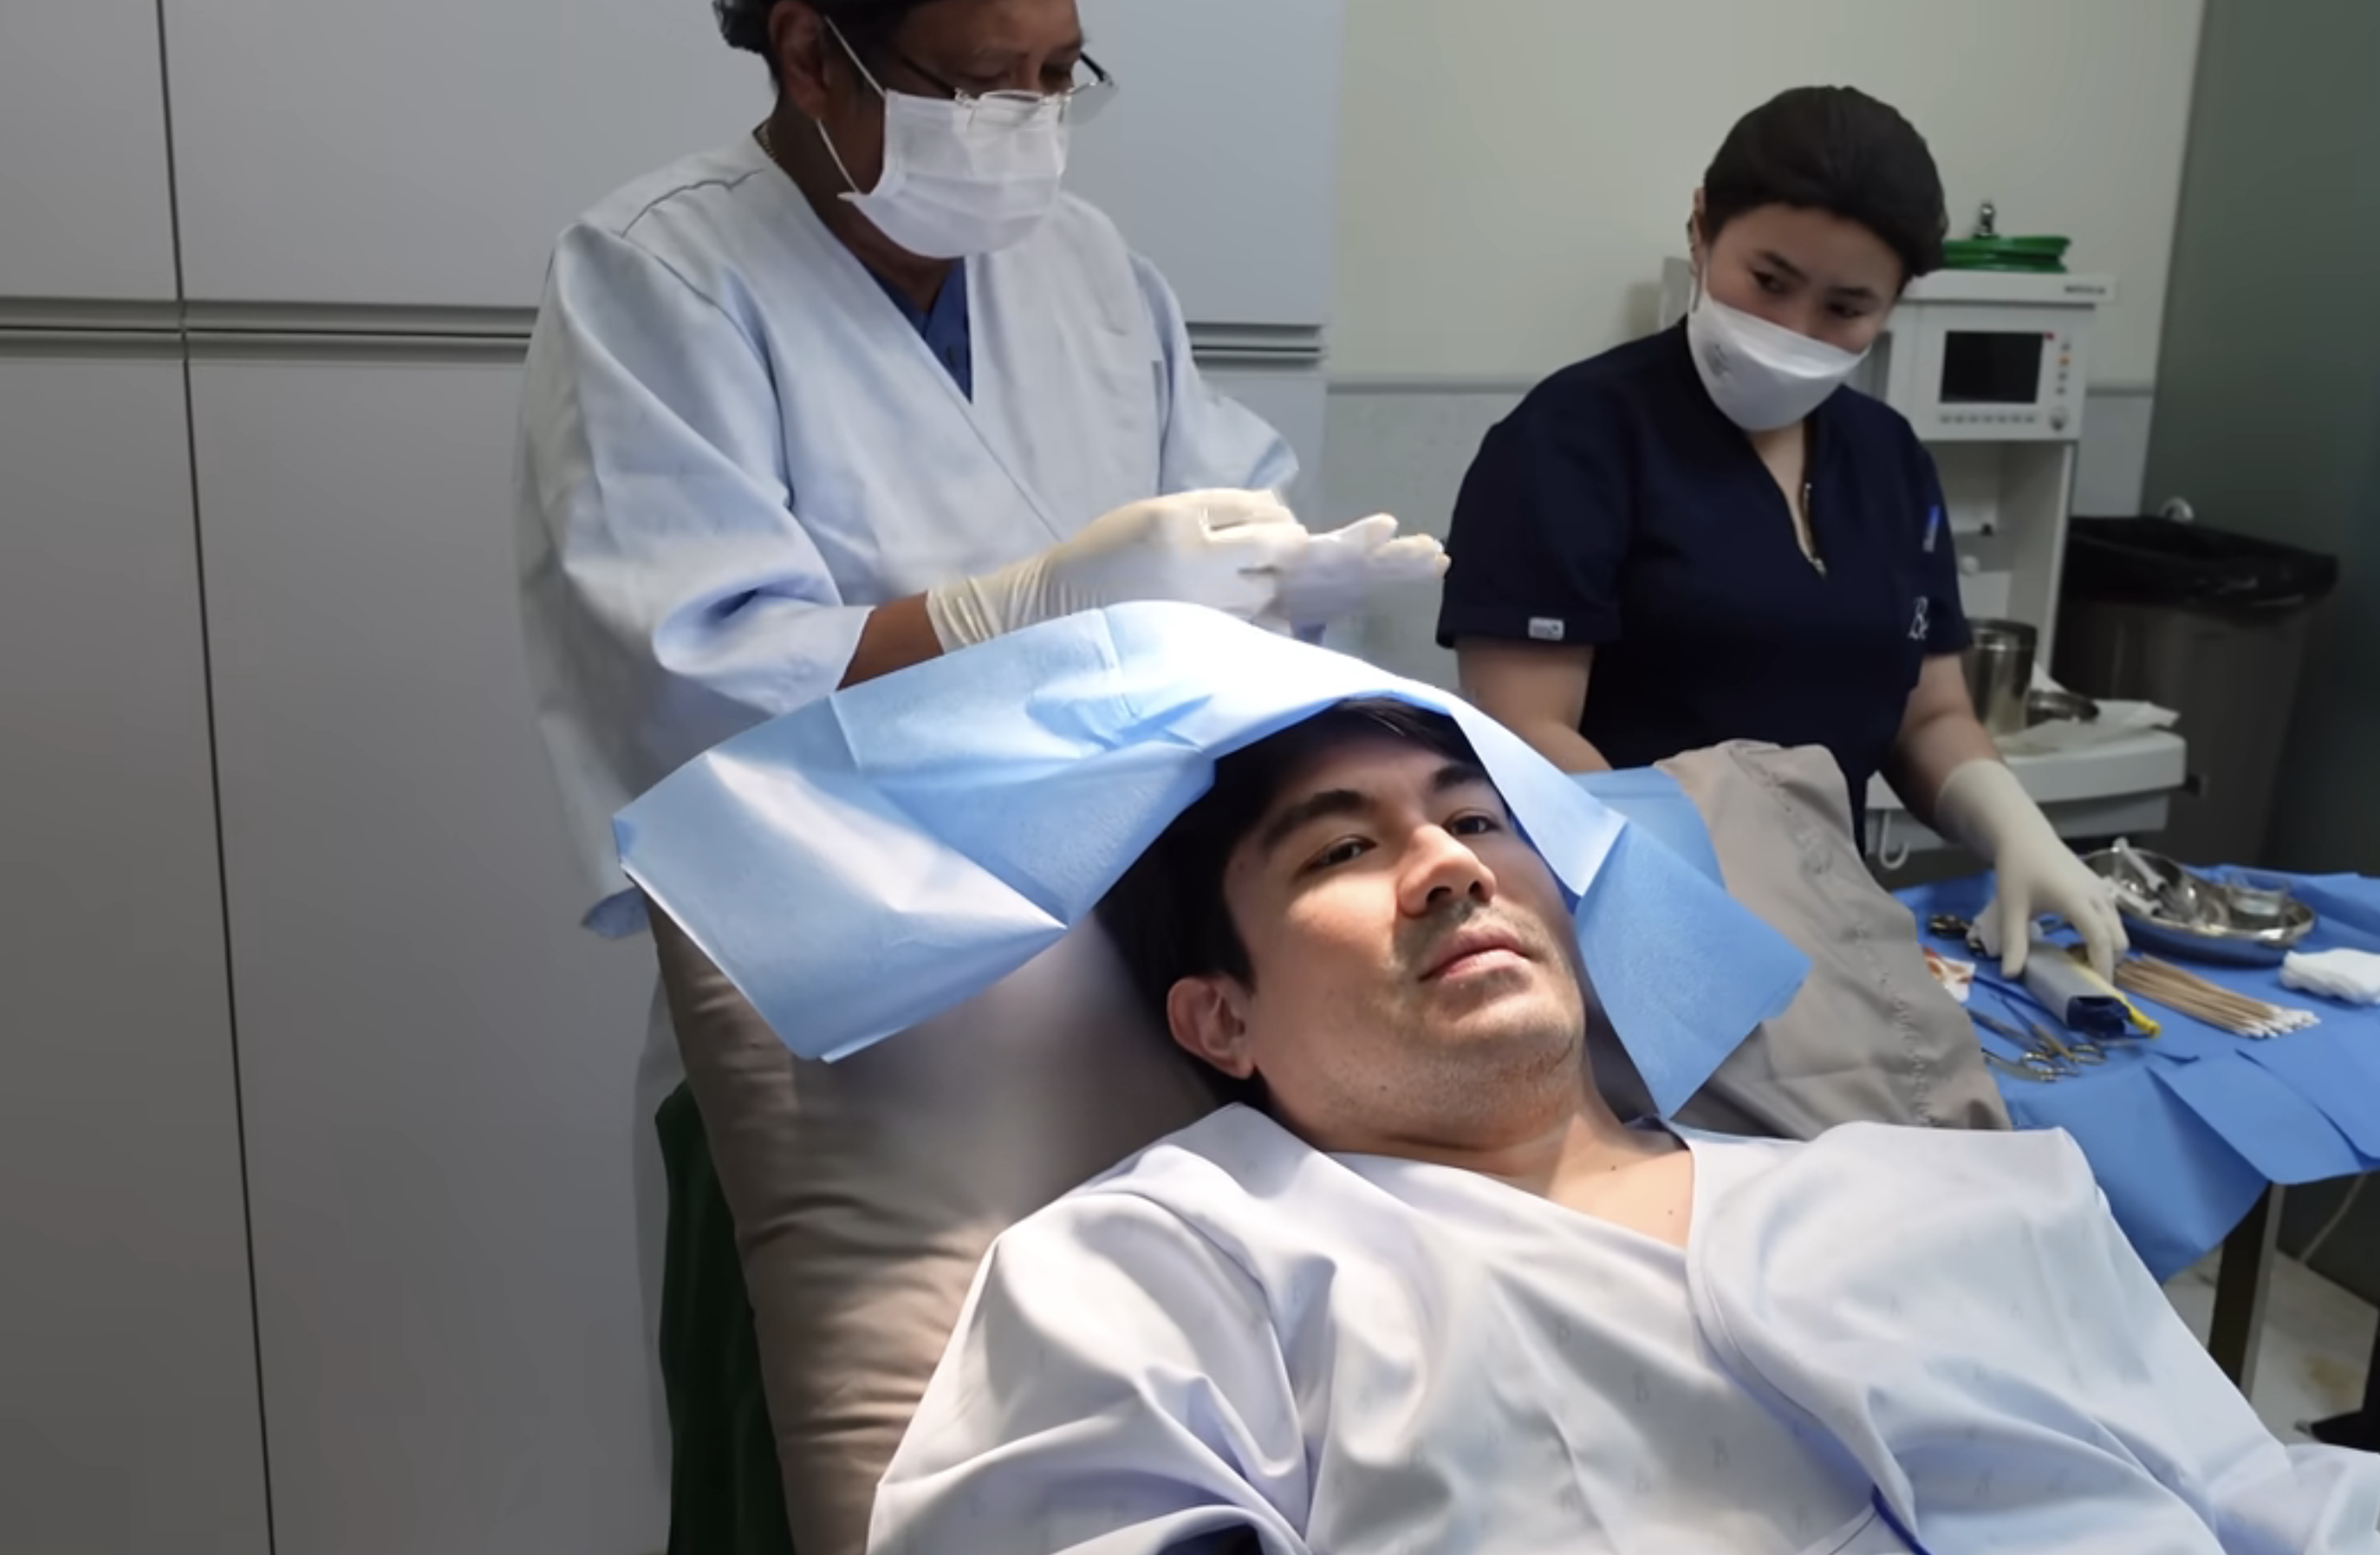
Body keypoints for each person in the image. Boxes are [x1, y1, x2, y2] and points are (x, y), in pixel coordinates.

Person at [864, 699, 2380, 1554]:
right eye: (1342, 845)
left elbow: (2277, 1501)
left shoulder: (1957, 1195)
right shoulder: (1172, 1260)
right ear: (1219, 1018)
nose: (1450, 868)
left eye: (1476, 820)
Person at [517, 0, 1442, 939]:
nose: (1027, 119)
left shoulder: (1081, 260)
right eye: (979, 81)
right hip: (854, 931)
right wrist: (1014, 614)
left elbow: (1223, 494)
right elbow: (694, 674)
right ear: (811, 55)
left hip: (1142, 897)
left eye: (1054, 78)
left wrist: (1277, 581)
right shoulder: (656, 273)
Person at [1436, 87, 2118, 979]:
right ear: (1700, 228)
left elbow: (1932, 711)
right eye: (1767, 282)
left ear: (1893, 305)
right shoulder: (1571, 441)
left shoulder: (1889, 461)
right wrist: (1695, 884)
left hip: (1833, 941)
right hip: (1622, 940)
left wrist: (2014, 827)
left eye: (1844, 309)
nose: (1791, 331)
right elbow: (1523, 728)